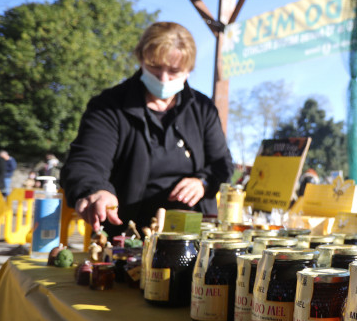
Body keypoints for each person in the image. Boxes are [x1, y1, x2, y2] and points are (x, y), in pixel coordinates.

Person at [61, 22, 234, 235]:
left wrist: (203, 182)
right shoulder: (109, 105)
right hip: (129, 231)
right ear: (141, 59)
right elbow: (87, 160)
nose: (163, 78)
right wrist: (95, 189)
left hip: (194, 230)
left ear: (189, 70)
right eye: (154, 66)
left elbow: (222, 164)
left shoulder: (203, 108)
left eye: (174, 71)